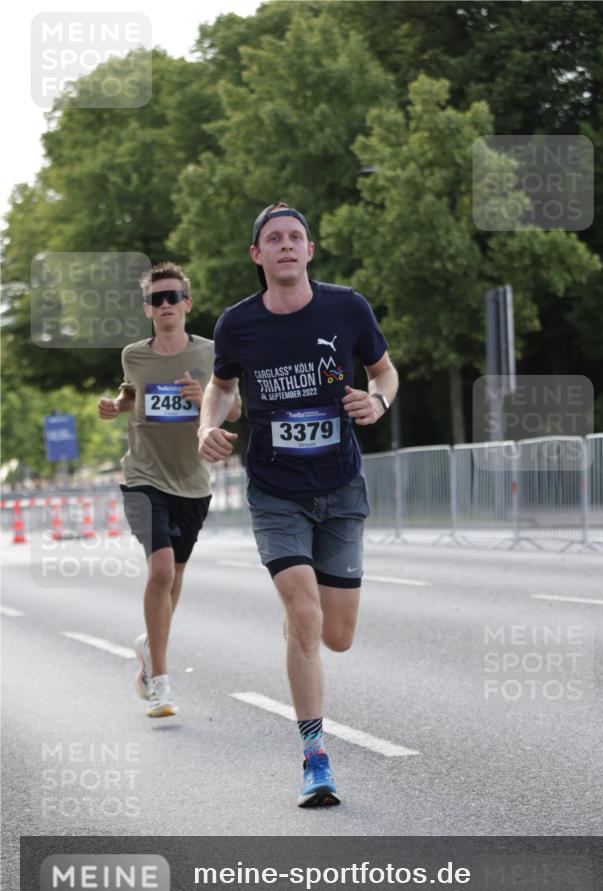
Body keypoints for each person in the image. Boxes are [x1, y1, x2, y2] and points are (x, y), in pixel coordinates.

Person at [198, 203, 398, 806]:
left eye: (296, 237)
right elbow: (222, 386)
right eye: (273, 239)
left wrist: (378, 404)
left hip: (340, 489)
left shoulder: (347, 308)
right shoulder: (237, 324)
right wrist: (205, 426)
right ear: (257, 256)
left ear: (310, 250)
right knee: (305, 615)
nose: (286, 245)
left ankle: (300, 619)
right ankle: (316, 757)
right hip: (276, 491)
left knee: (336, 635)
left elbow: (385, 373)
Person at [98, 262, 241, 717]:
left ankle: (149, 649)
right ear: (147, 308)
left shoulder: (212, 352)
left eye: (172, 297)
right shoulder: (133, 355)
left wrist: (205, 402)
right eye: (157, 299)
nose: (165, 305)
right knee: (160, 571)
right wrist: (115, 405)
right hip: (143, 475)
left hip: (193, 481)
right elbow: (131, 392)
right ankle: (159, 681)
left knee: (173, 578)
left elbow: (235, 410)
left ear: (187, 304)